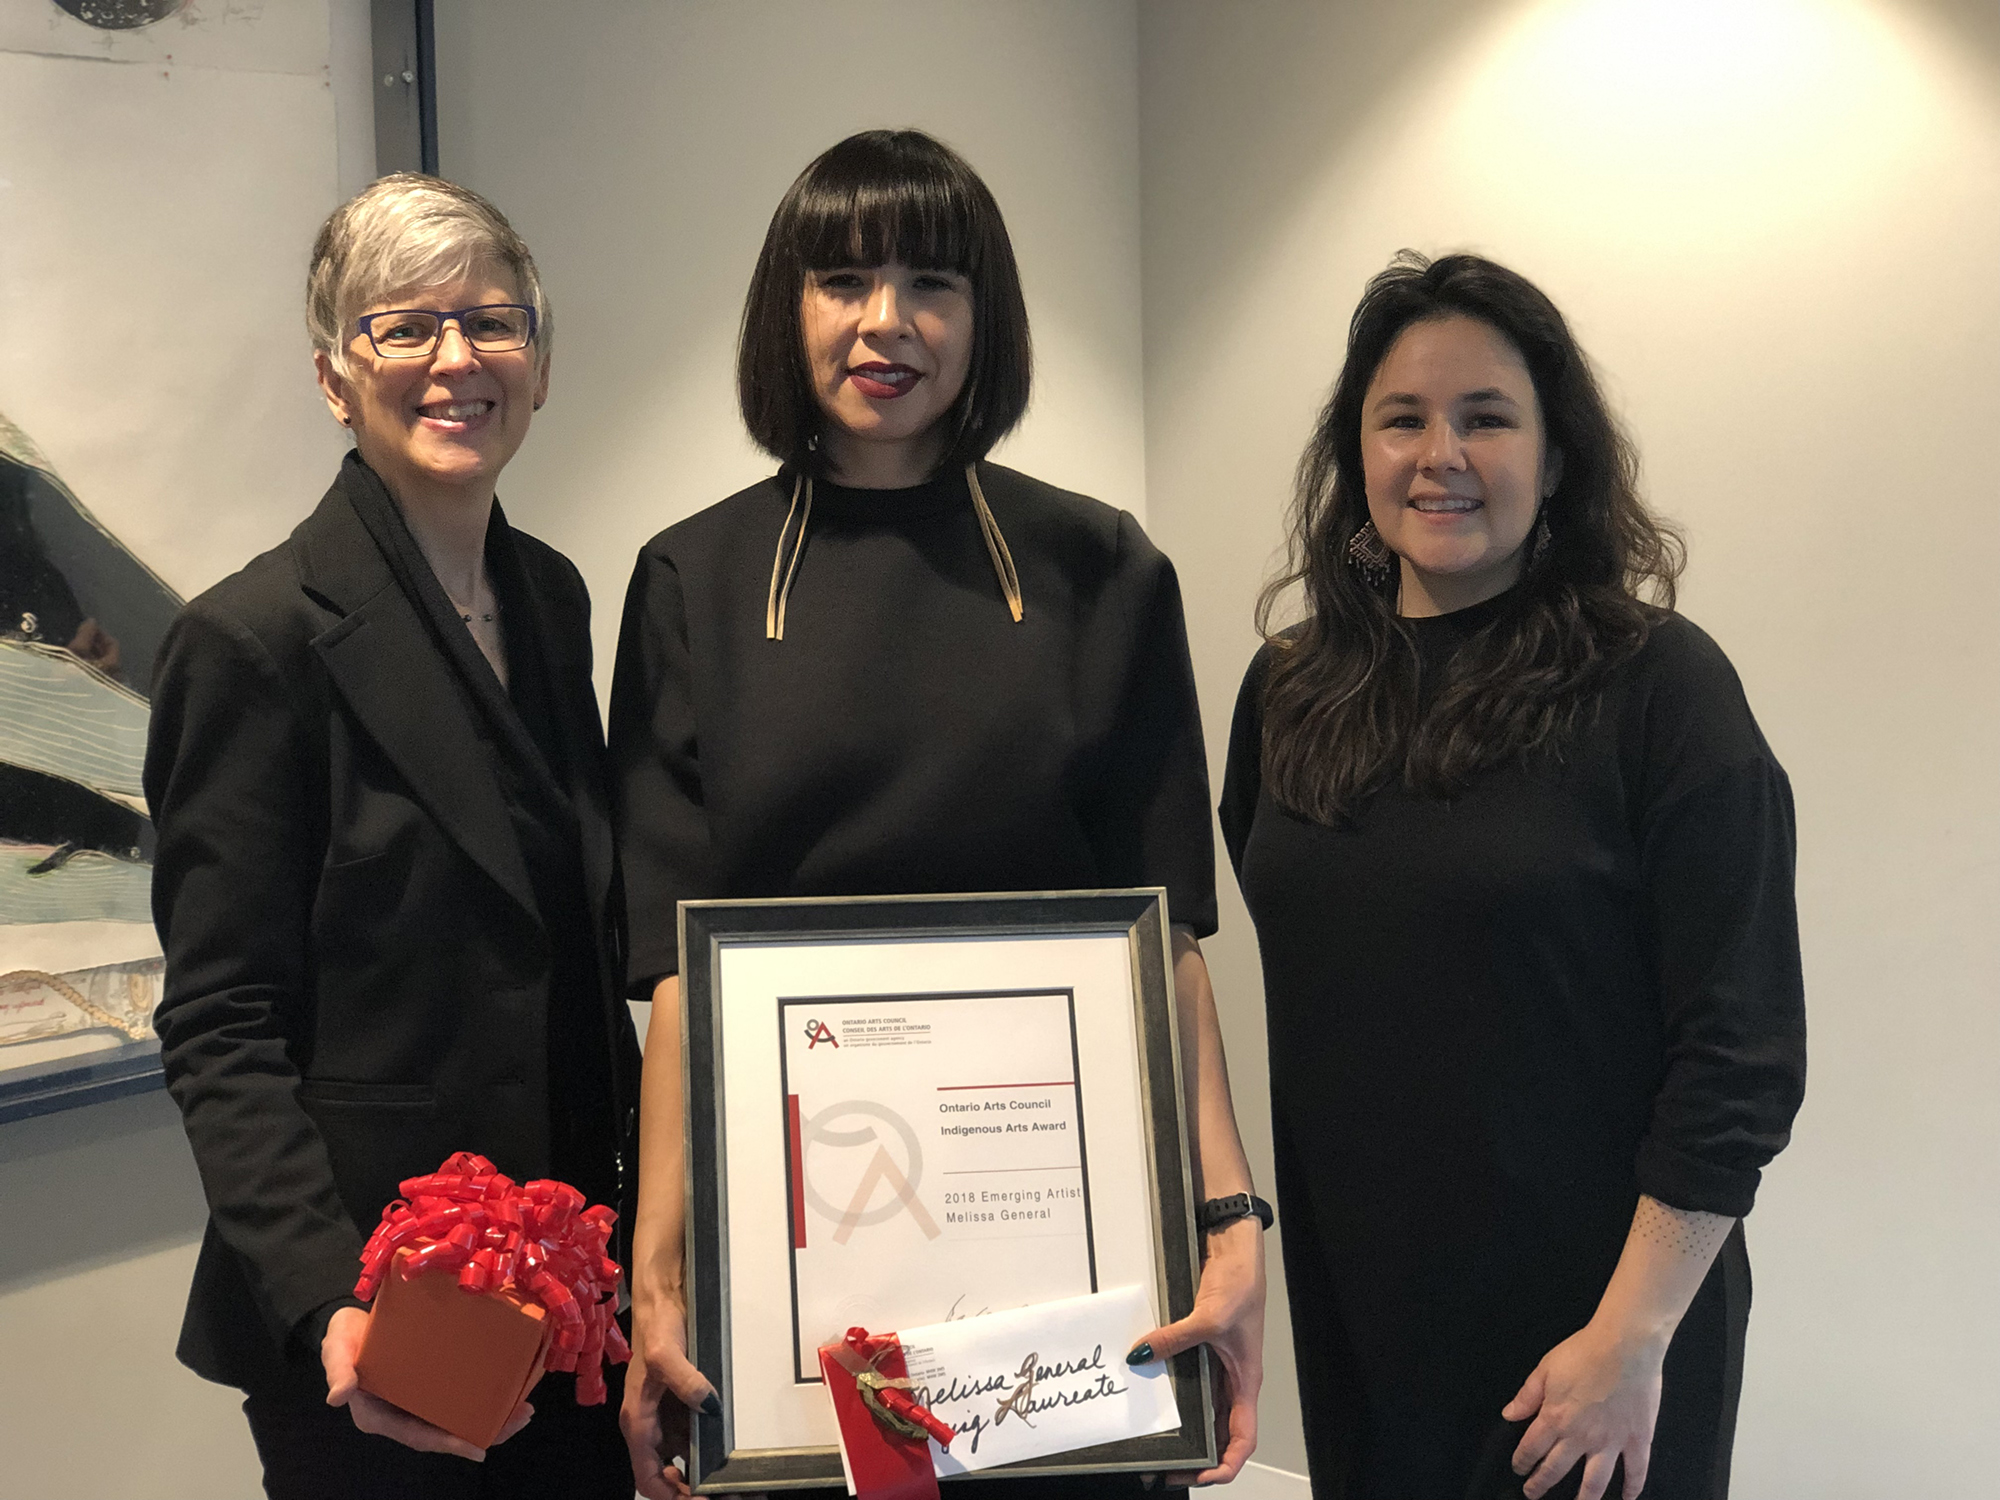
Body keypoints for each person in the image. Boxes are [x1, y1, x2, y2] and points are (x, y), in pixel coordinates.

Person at [610, 129, 1266, 1500]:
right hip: (791, 1279)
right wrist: (655, 1282)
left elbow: (1170, 942)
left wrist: (1227, 1221)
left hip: (1067, 1280)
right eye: (842, 281)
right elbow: (675, 979)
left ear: (988, 318)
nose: (885, 323)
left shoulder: (1103, 569)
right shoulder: (694, 581)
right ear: (785, 312)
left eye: (933, 284)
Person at [1220, 252, 1807, 1500]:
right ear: (1354, 453)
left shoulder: (1658, 686)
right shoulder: (1287, 692)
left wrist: (1630, 1338)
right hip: (1365, 1319)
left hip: (1590, 1339)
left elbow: (1741, 1053)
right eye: (1402, 419)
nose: (1441, 453)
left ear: (1555, 457)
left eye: (1485, 417)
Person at [144, 174, 641, 1499]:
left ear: (538, 361)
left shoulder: (553, 597)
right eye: (401, 329)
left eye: (491, 321)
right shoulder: (251, 642)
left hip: (571, 1303)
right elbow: (223, 1022)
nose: (456, 361)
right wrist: (326, 1308)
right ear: (332, 378)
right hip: (371, 1331)